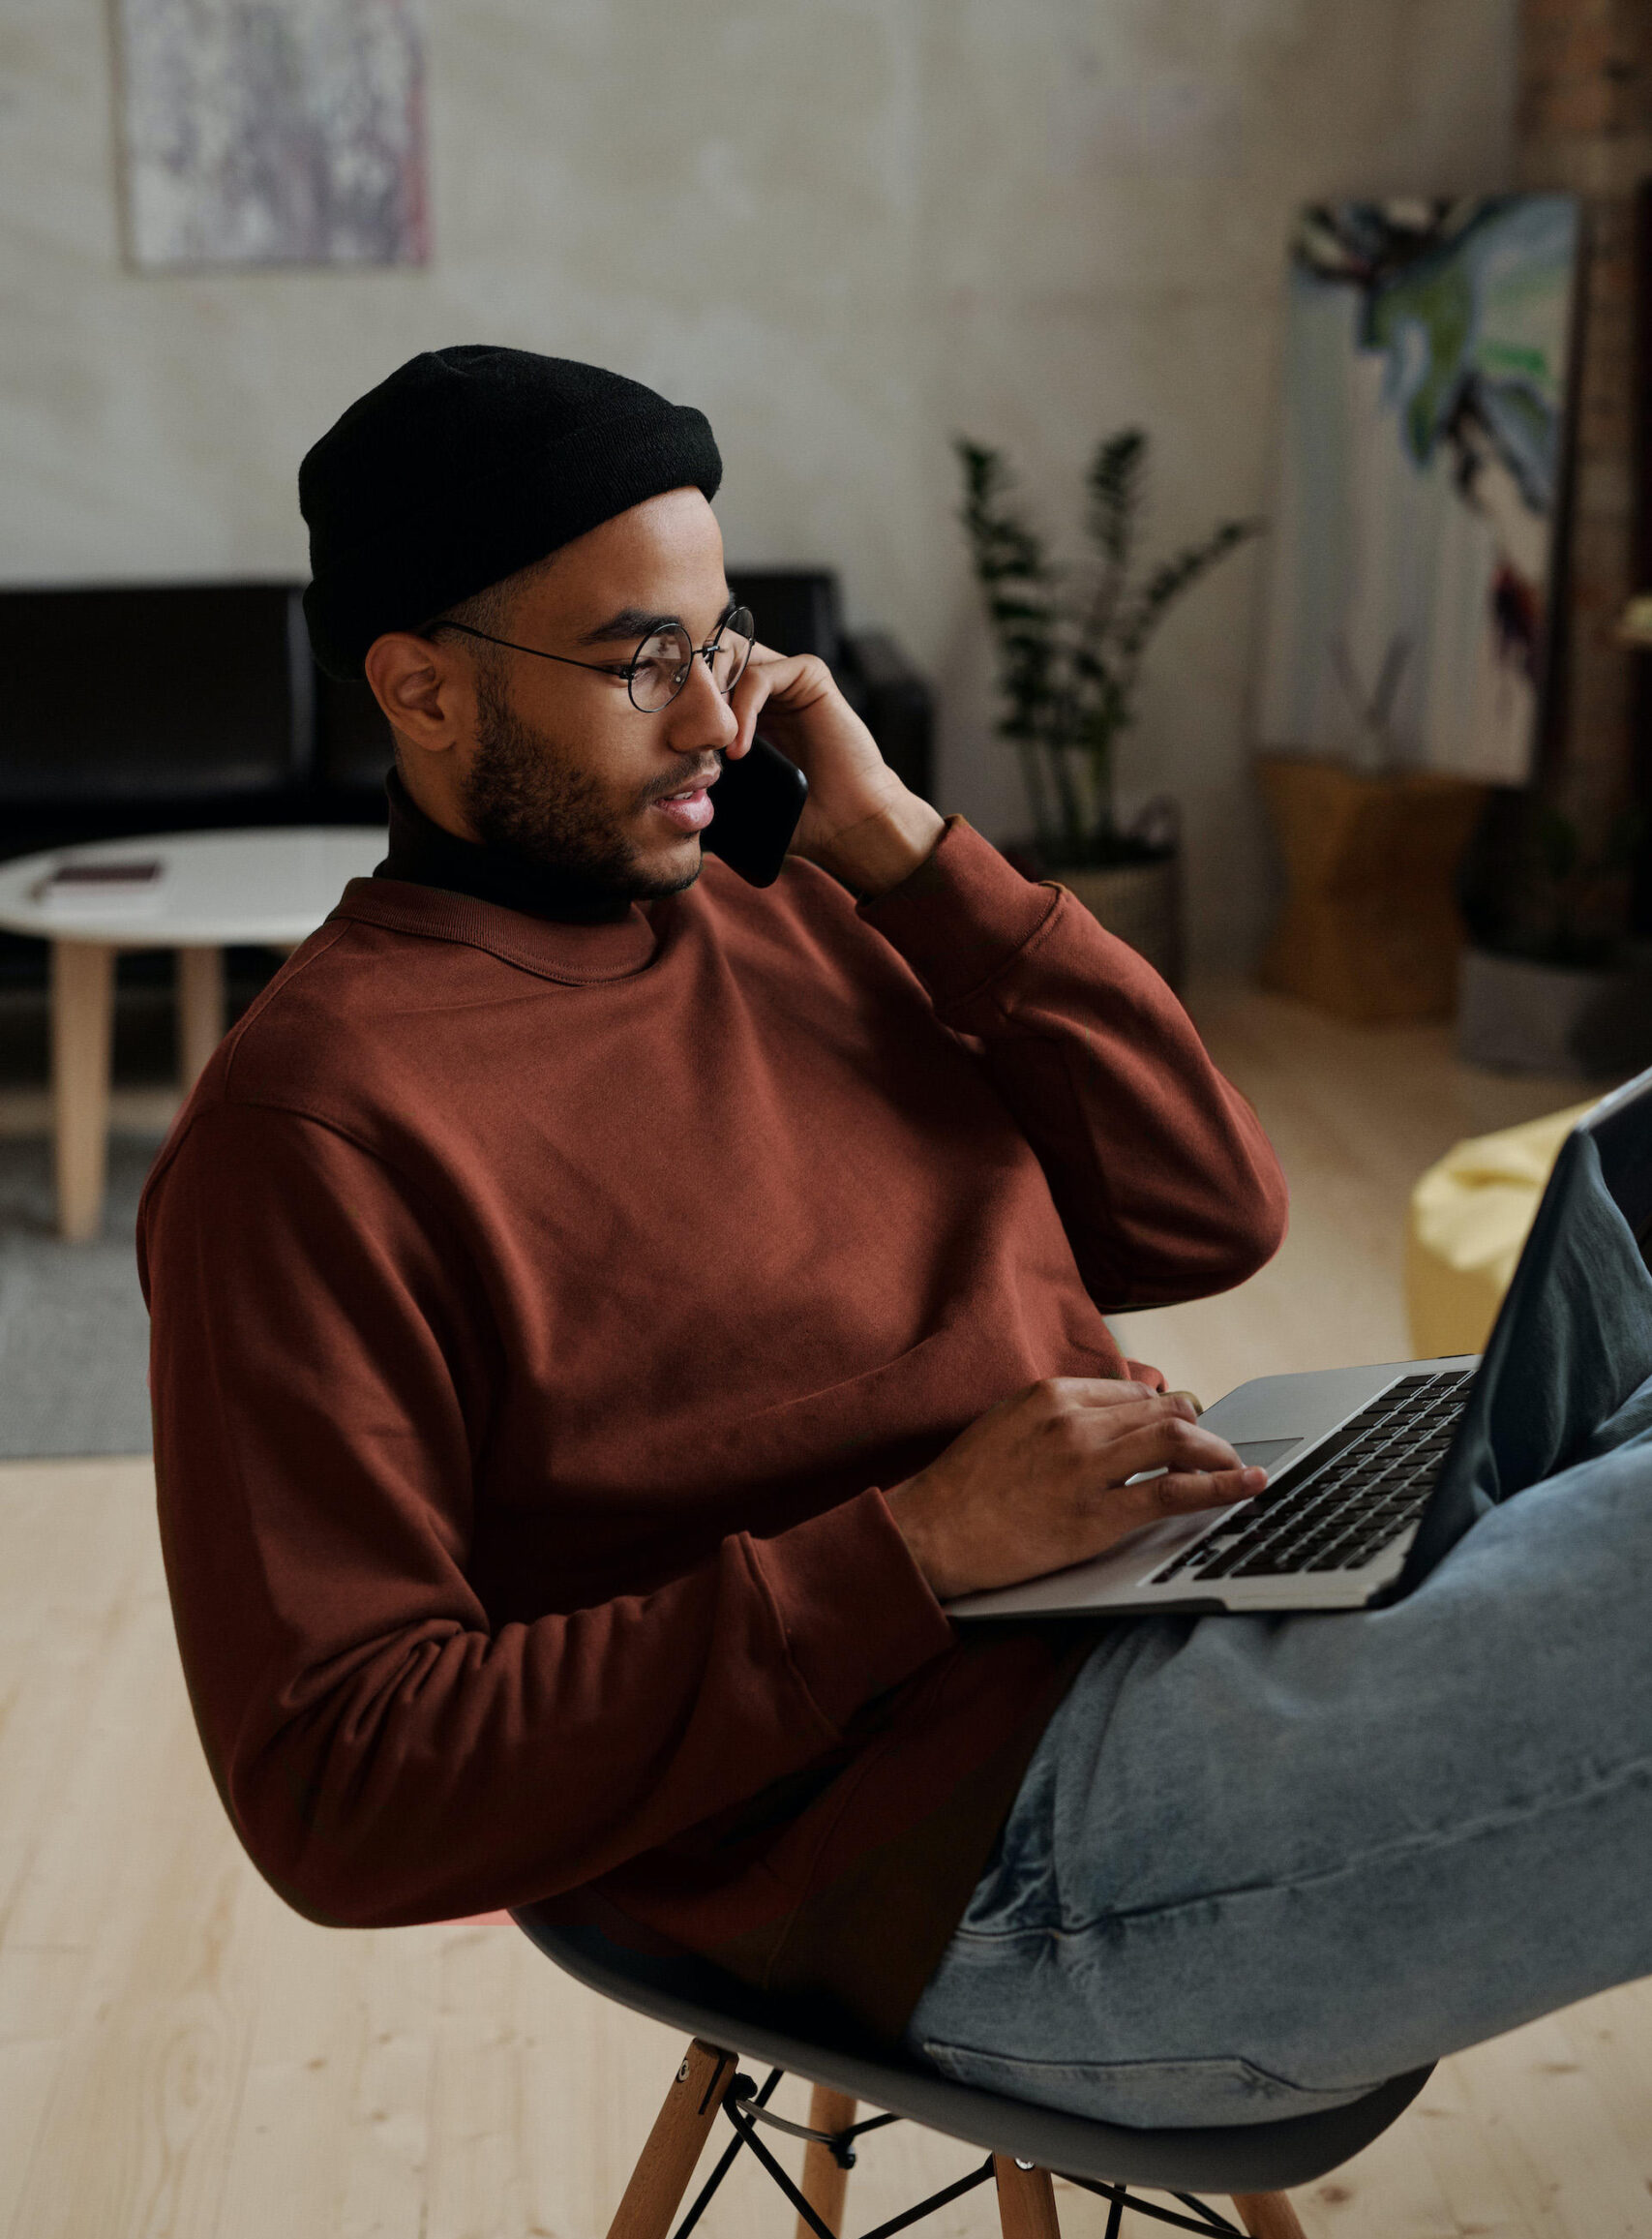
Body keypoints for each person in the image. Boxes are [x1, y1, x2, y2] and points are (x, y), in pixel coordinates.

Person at [141, 348, 1652, 2128]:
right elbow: (341, 1783)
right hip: (986, 1873)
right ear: (423, 691)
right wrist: (913, 1551)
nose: (716, 718)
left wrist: (902, 844)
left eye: (727, 642)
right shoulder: (309, 1133)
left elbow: (1208, 1206)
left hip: (1189, 1600)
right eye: (641, 661)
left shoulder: (798, 899)